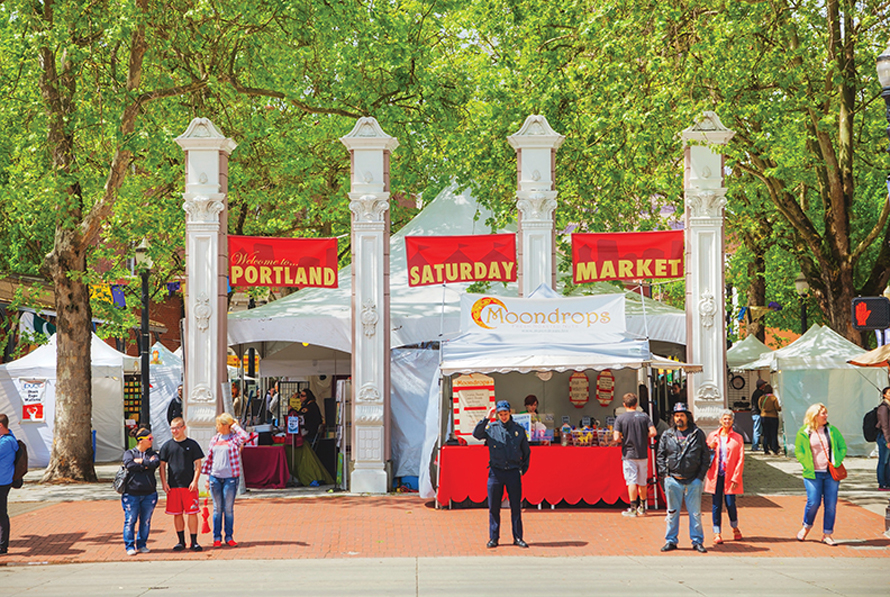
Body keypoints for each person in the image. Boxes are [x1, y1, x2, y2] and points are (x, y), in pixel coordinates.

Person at [473, 400, 531, 549]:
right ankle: (494, 538)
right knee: (494, 507)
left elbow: (526, 452)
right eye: (500, 414)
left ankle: (518, 537)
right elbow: (477, 434)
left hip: (512, 472)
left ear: (510, 412)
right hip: (496, 473)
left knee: (516, 507)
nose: (503, 416)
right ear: (497, 414)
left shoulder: (518, 429)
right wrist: (487, 417)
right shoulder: (492, 428)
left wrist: (522, 469)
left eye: (505, 413)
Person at [656, 402, 710, 553]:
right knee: (672, 512)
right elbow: (660, 455)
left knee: (695, 513)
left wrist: (700, 477)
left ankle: (697, 541)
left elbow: (705, 456)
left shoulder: (697, 434)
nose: (679, 418)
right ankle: (671, 540)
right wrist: (665, 475)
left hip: (693, 480)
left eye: (682, 415)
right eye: (677, 415)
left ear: (687, 417)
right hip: (673, 479)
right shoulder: (667, 434)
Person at [794, 403, 846, 546]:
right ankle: (806, 527)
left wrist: (837, 461)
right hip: (813, 474)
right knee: (813, 502)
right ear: (814, 415)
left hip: (830, 474)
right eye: (823, 413)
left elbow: (842, 447)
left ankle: (827, 534)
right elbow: (799, 450)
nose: (826, 415)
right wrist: (805, 463)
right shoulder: (804, 431)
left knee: (830, 505)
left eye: (826, 413)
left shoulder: (832, 430)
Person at [201, 413, 250, 547]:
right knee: (217, 508)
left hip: (230, 477)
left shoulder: (234, 439)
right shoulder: (214, 439)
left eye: (218, 424)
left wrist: (234, 425)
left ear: (224, 426)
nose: (216, 427)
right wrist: (207, 478)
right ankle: (217, 537)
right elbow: (210, 459)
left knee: (228, 508)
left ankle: (229, 536)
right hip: (215, 477)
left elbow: (246, 437)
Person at [159, 417, 205, 552]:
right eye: (172, 428)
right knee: (177, 513)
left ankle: (194, 541)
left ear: (184, 428)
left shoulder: (192, 444)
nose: (175, 431)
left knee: (192, 513)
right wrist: (164, 482)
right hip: (173, 486)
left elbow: (198, 464)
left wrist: (195, 481)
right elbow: (162, 466)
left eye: (177, 428)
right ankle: (181, 541)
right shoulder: (167, 446)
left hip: (189, 486)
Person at [705, 410, 745, 545]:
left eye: (729, 419)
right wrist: (710, 447)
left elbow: (740, 459)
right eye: (724, 419)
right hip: (716, 475)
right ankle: (717, 532)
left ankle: (734, 527)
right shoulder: (713, 436)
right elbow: (704, 455)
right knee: (716, 504)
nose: (727, 421)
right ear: (720, 420)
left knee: (730, 503)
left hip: (730, 476)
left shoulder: (738, 438)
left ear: (732, 421)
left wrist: (736, 477)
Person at [613, 393, 656, 517]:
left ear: (624, 404)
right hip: (643, 453)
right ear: (636, 404)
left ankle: (632, 508)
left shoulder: (620, 418)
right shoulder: (644, 416)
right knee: (642, 481)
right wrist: (643, 436)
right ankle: (642, 507)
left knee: (631, 480)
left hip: (629, 453)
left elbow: (616, 437)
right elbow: (653, 432)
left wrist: (623, 440)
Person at [121, 428, 160, 556]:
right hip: (132, 493)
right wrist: (145, 466)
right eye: (149, 439)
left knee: (146, 520)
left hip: (149, 493)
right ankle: (130, 545)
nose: (151, 441)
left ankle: (142, 544)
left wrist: (142, 462)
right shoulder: (129, 453)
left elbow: (155, 463)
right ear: (141, 440)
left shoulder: (151, 453)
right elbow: (129, 465)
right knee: (130, 519)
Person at [0, 413, 19, 555]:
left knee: (1, 514)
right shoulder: (7, 438)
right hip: (3, 480)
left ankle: (2, 545)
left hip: (2, 482)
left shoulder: (6, 442)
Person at [760, 384, 782, 455]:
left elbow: (760, 406)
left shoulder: (761, 398)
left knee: (766, 433)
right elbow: (777, 408)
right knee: (773, 433)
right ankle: (774, 448)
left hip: (764, 416)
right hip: (773, 417)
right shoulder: (773, 398)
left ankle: (766, 449)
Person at [876, 387, 890, 490]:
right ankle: (882, 483)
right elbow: (884, 425)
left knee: (888, 461)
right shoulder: (883, 408)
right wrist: (888, 440)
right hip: (884, 437)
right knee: (883, 460)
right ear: (884, 395)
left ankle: (888, 482)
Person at [749, 378, 767, 452]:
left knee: (756, 429)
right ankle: (755, 446)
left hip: (754, 413)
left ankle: (755, 445)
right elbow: (759, 405)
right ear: (761, 385)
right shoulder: (760, 394)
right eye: (764, 384)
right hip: (757, 413)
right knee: (757, 430)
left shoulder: (755, 393)